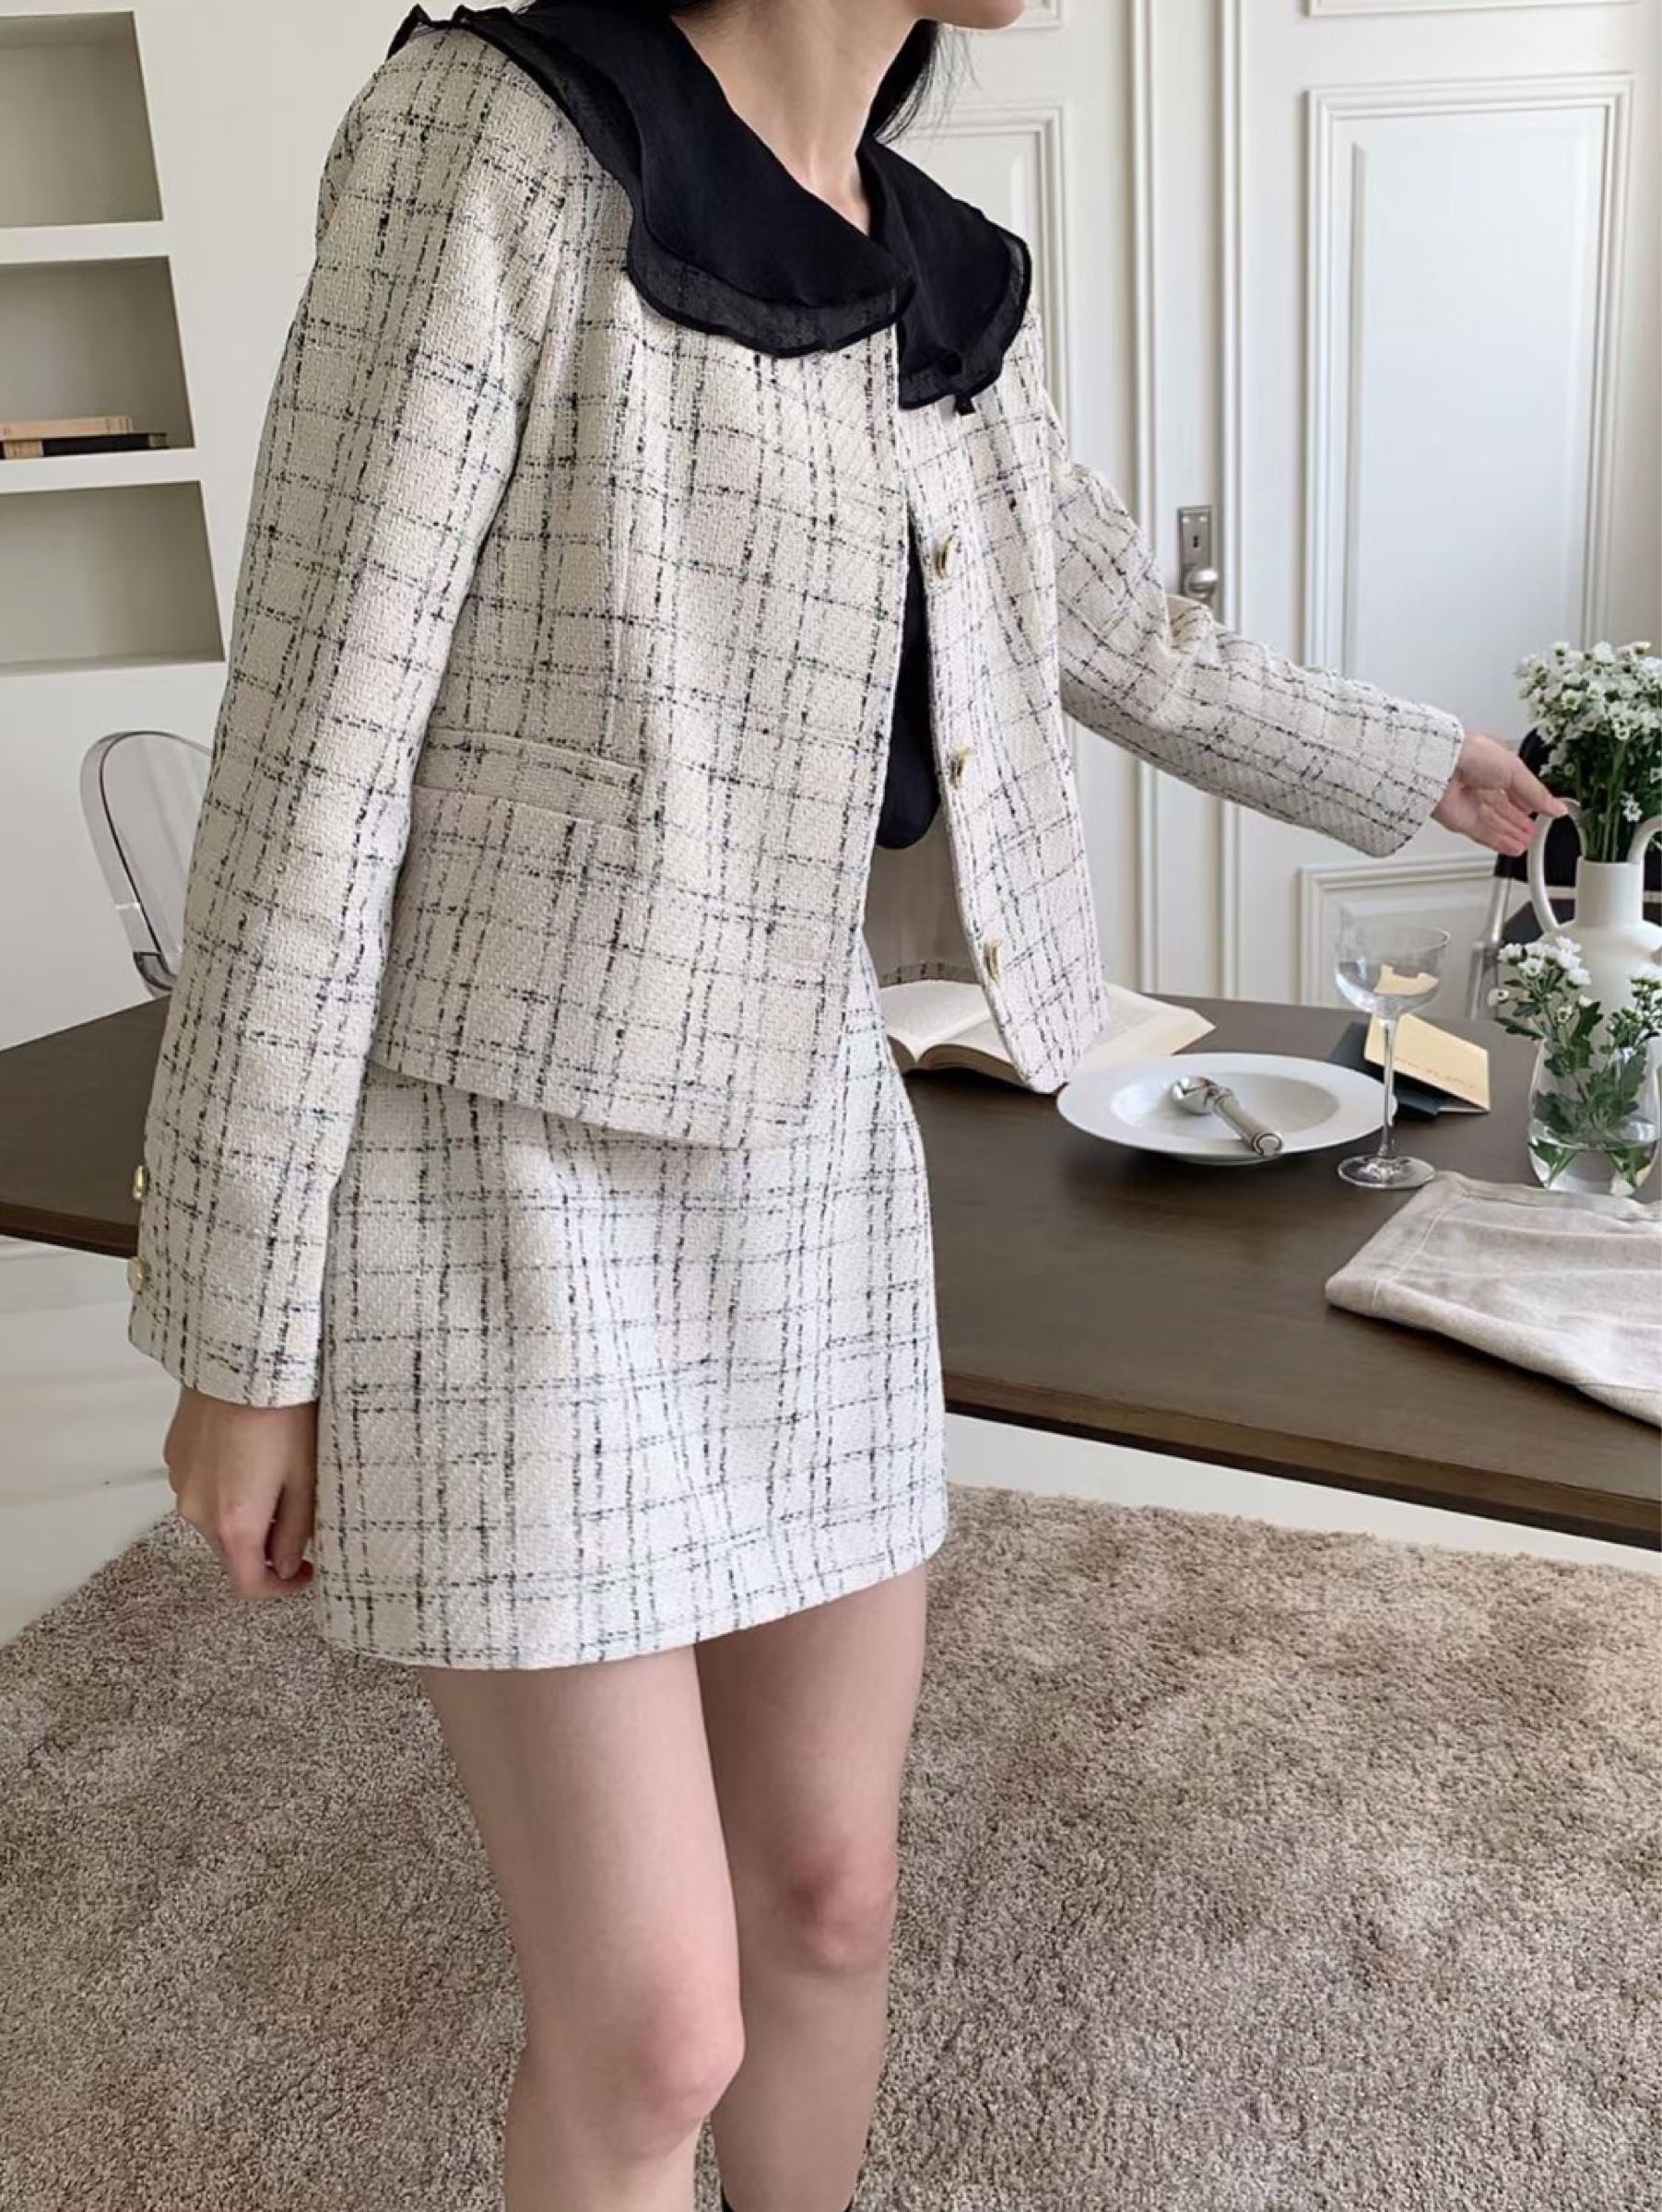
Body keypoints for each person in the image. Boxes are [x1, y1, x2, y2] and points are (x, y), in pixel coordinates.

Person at [127, 4, 1567, 2207]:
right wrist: (243, 1340)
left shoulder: (926, 261)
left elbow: (1111, 623)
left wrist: (1414, 761)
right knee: (652, 2030)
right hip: (505, 1170)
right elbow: (309, 759)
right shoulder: (491, 140)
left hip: (809, 1146)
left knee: (830, 1900)